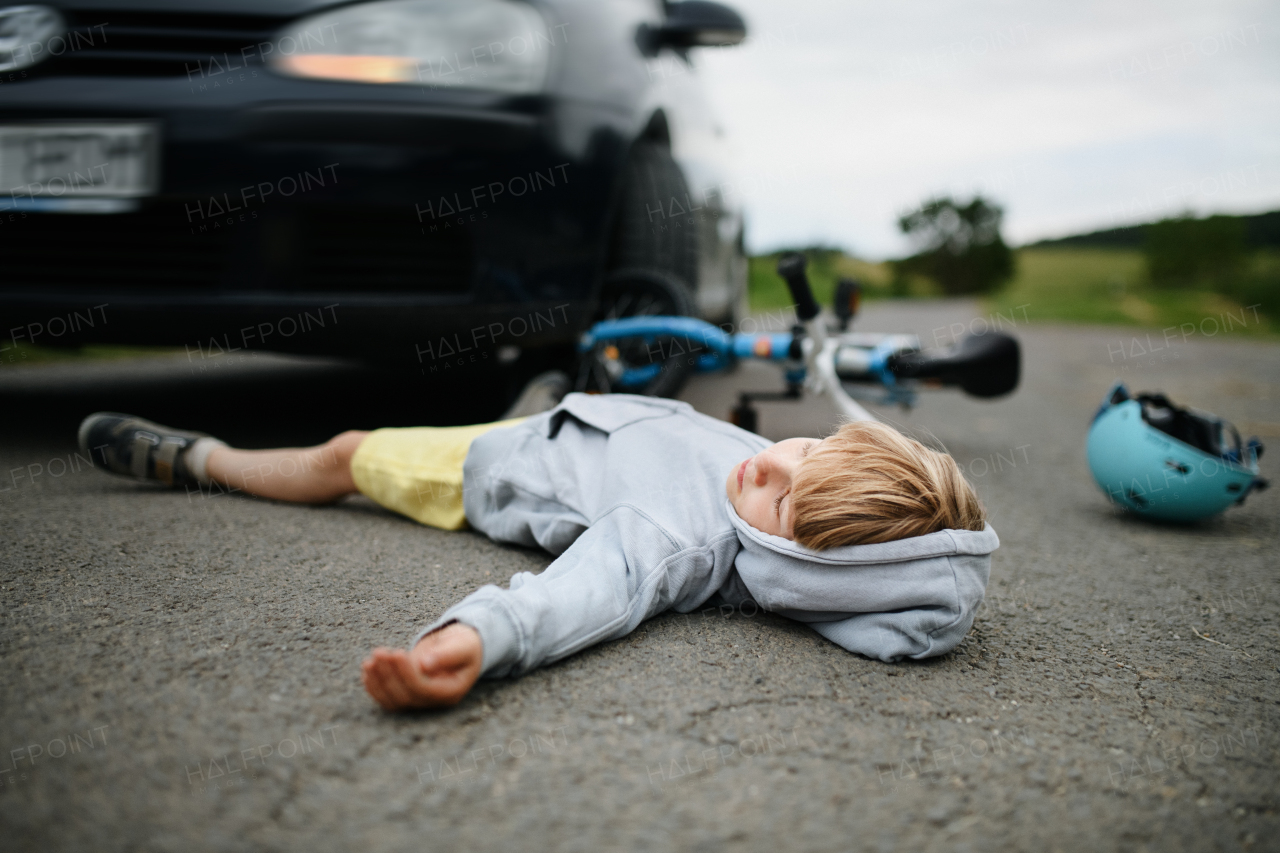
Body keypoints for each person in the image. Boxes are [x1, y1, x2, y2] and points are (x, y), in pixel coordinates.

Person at [78, 393, 998, 712]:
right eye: (809, 448)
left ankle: (201, 459)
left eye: (784, 497)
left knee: (347, 452)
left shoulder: (675, 543)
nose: (769, 461)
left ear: (796, 564)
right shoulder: (764, 472)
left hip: (487, 464)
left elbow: (579, 594)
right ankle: (545, 389)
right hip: (565, 422)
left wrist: (479, 638)